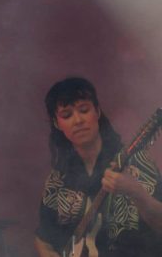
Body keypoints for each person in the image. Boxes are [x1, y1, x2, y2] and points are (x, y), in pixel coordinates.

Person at [34, 77, 162, 257]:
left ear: (97, 112)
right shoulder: (57, 180)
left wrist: (136, 192)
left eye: (84, 110)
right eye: (67, 115)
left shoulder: (136, 164)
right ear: (57, 124)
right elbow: (43, 240)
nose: (78, 120)